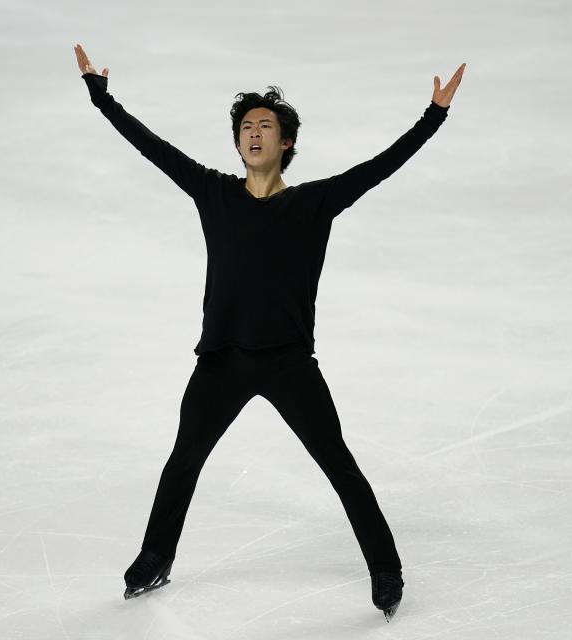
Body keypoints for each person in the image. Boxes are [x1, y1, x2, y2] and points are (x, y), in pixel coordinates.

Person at [73, 43, 465, 622]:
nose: (254, 134)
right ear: (238, 142)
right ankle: (155, 556)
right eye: (246, 127)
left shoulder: (316, 203)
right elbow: (153, 149)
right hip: (222, 361)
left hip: (288, 363)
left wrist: (432, 116)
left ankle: (386, 568)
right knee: (183, 460)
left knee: (339, 464)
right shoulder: (214, 192)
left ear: (286, 144)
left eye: (266, 127)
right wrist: (103, 99)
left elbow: (380, 167)